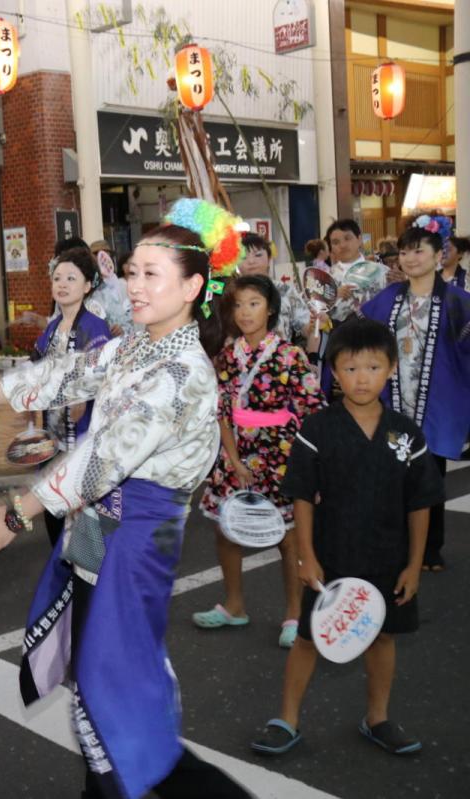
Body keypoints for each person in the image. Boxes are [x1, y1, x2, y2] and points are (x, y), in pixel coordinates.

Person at [0, 198, 252, 798]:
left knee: (114, 698)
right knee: (98, 688)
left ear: (192, 286)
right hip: (96, 536)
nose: (133, 284)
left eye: (150, 274)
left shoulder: (182, 373)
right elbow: (61, 374)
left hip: (135, 543)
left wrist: (15, 512)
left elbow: (101, 458)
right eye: (130, 271)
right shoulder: (134, 344)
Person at [252, 318, 443, 758]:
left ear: (391, 368)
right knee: (308, 636)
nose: (362, 378)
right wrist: (306, 556)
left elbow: (421, 504)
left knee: (382, 635)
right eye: (351, 368)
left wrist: (415, 564)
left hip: (389, 558)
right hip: (331, 554)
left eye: (373, 367)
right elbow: (301, 495)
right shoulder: (318, 428)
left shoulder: (405, 433)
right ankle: (287, 719)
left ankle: (378, 717)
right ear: (334, 372)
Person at [194, 275, 325, 648]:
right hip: (235, 452)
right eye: (237, 305)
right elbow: (220, 410)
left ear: (270, 308)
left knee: (288, 538)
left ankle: (294, 614)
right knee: (226, 527)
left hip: (279, 455)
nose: (245, 312)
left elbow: (311, 409)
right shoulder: (227, 355)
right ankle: (235, 605)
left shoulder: (289, 354)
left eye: (253, 303)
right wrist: (233, 459)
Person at [360, 215, 470, 573]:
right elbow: (367, 337)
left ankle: (430, 548)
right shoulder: (389, 297)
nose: (409, 258)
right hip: (395, 397)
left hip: (438, 399)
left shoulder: (458, 301)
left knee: (429, 474)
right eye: (404, 252)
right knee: (393, 475)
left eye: (418, 251)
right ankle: (399, 545)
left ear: (440, 254)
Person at [31, 249, 111, 547]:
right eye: (57, 278)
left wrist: (82, 395)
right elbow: (36, 370)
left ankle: (85, 574)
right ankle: (64, 569)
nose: (62, 284)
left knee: (80, 508)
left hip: (82, 433)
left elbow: (104, 374)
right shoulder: (52, 328)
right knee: (53, 503)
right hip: (53, 432)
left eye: (71, 278)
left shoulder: (94, 326)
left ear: (88, 286)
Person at [236, 232, 309, 343]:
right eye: (243, 257)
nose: (251, 261)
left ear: (269, 258)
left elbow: (305, 327)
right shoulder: (230, 292)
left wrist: (315, 325)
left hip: (282, 357)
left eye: (258, 255)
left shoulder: (285, 290)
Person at [327, 219, 384, 324]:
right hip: (340, 336)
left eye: (347, 238)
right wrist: (333, 297)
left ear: (359, 239)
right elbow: (317, 316)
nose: (342, 245)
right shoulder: (325, 278)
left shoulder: (381, 272)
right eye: (335, 242)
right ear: (331, 247)